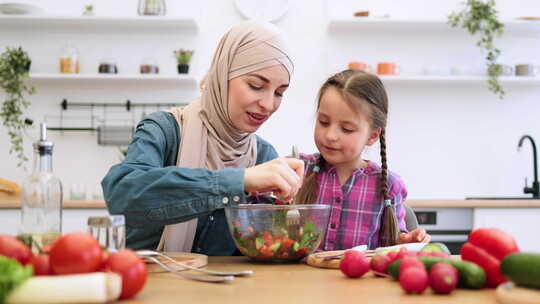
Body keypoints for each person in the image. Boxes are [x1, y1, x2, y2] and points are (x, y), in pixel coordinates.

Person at [101, 21, 304, 255]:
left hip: (226, 289)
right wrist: (239, 181)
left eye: (280, 92)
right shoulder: (165, 130)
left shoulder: (263, 155)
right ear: (222, 75)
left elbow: (263, 249)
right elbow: (122, 195)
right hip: (151, 284)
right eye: (256, 85)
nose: (269, 105)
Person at [295, 70, 430, 250]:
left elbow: (393, 242)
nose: (330, 135)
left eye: (347, 129)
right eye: (324, 122)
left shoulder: (387, 185)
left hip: (359, 278)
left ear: (372, 136)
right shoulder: (297, 169)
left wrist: (405, 242)